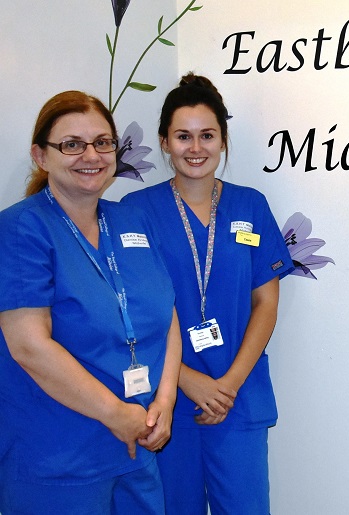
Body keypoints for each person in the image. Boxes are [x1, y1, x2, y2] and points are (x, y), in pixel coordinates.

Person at [0, 91, 182, 514]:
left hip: (138, 444)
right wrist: (118, 414)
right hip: (59, 458)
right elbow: (29, 346)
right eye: (71, 144)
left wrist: (166, 402)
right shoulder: (20, 230)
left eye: (102, 142)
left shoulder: (130, 220)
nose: (91, 155)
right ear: (41, 156)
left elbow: (165, 314)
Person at [122, 74, 293, 514]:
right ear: (164, 141)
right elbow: (130, 315)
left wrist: (227, 387)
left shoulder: (250, 205)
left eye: (206, 135)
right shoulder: (134, 214)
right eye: (183, 136)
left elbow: (266, 304)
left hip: (237, 399)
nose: (195, 148)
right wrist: (188, 380)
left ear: (222, 140)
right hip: (165, 401)